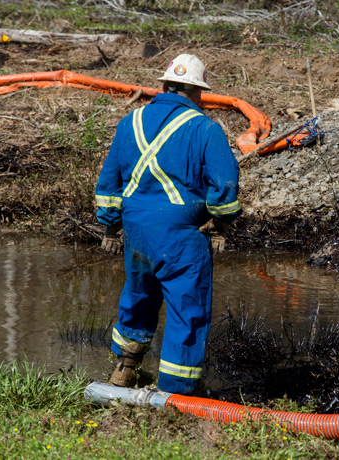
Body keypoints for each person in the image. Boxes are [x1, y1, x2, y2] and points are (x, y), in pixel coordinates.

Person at [95, 54, 242, 395]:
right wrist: (221, 225)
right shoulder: (205, 129)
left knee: (137, 297)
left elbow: (109, 182)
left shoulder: (129, 122)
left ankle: (124, 370)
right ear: (197, 92)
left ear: (163, 86)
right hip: (180, 236)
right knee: (186, 309)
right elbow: (224, 187)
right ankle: (176, 392)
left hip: (136, 233)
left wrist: (110, 227)